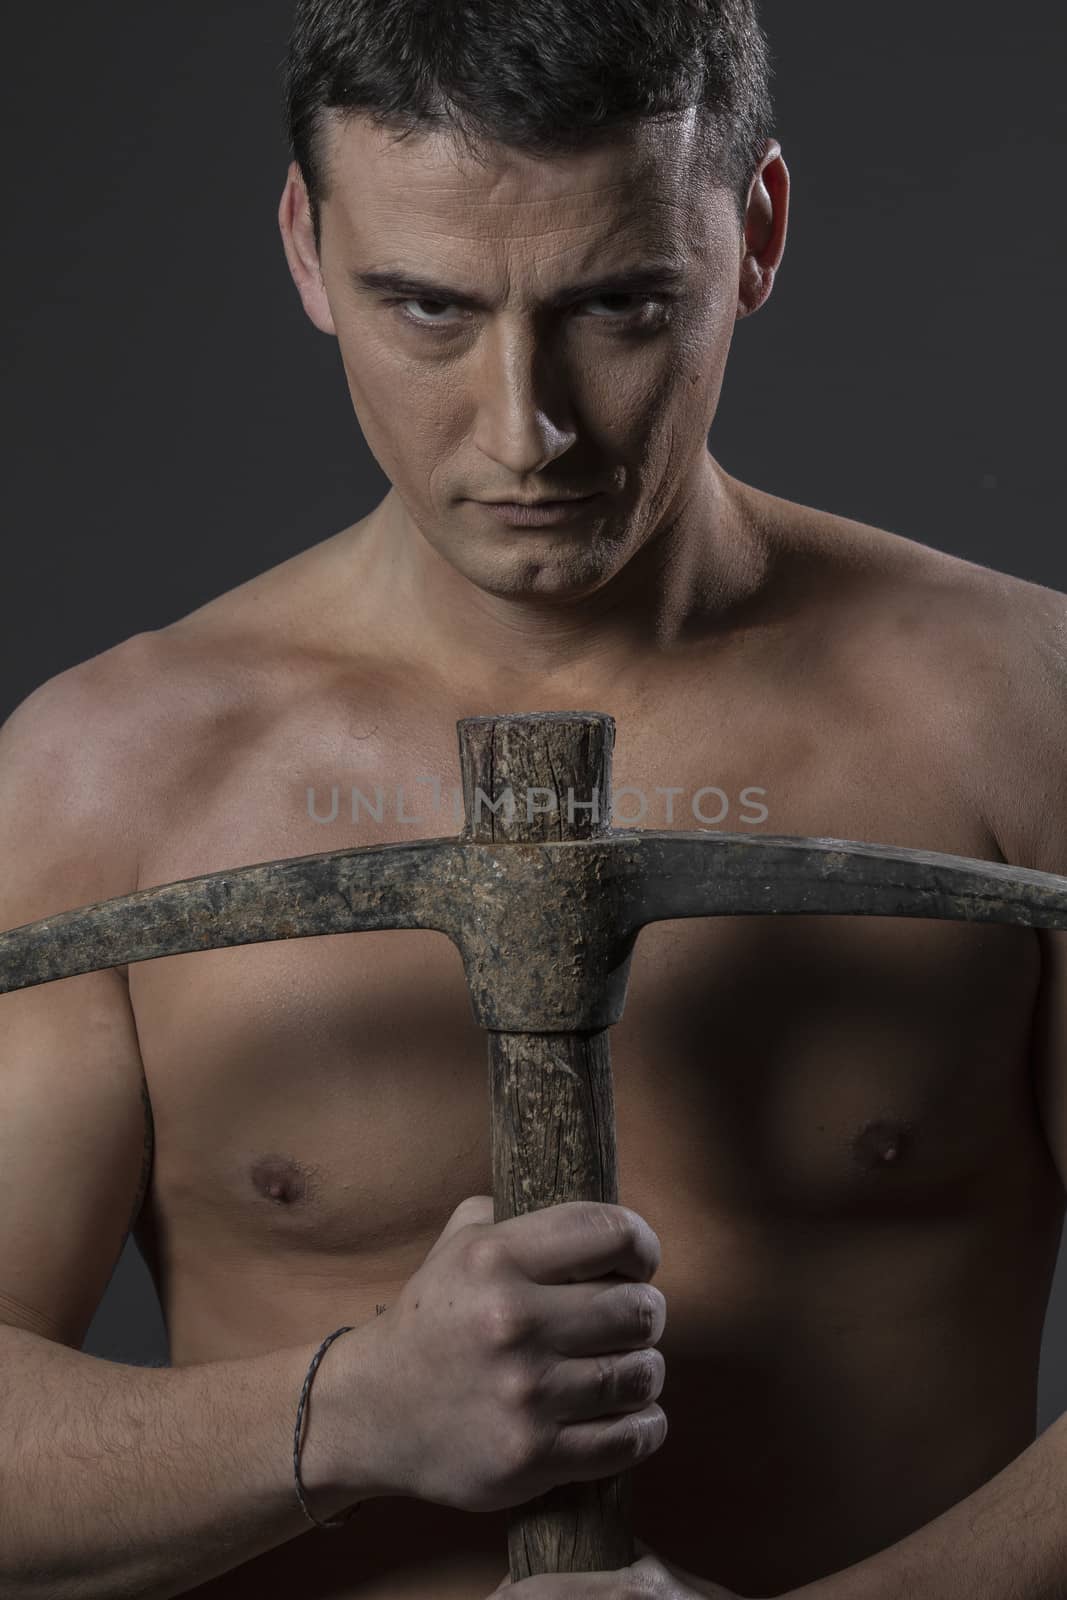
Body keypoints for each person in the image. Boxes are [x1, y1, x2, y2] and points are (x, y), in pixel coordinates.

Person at [1, 1, 1066, 1597]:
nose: (527, 428)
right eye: (425, 305)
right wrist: (346, 1413)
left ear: (755, 231)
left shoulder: (1023, 715)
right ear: (306, 247)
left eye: (624, 303)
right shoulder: (112, 777)